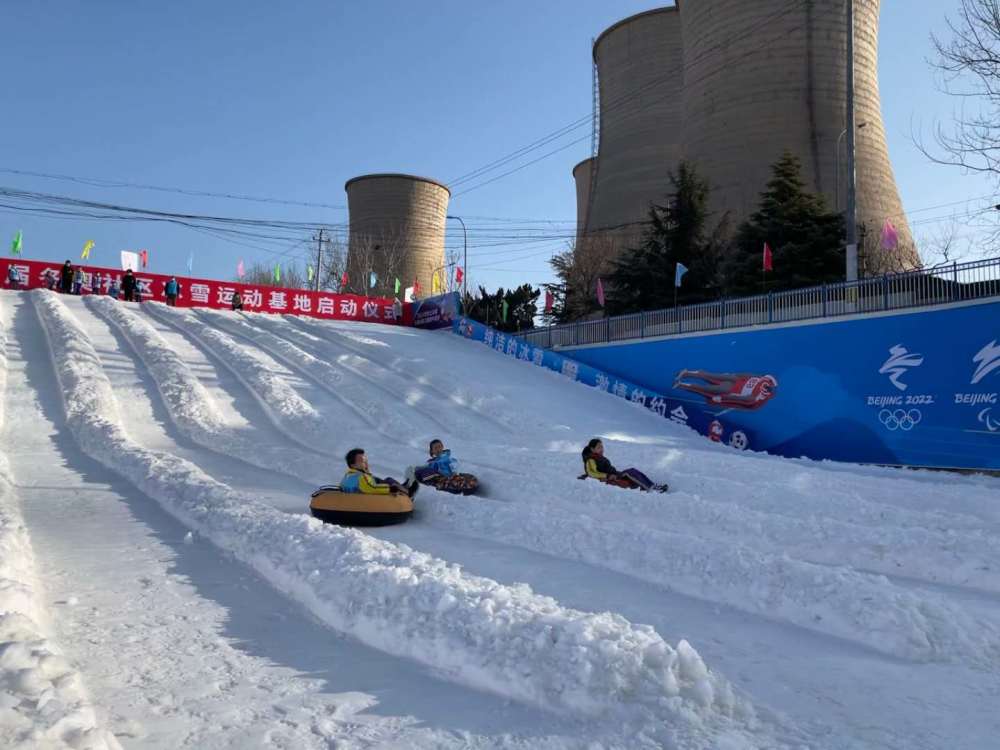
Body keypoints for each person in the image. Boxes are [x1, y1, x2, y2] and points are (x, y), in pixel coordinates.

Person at [581, 438, 668, 493]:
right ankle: (651, 488)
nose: (602, 449)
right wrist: (607, 476)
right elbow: (591, 473)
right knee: (630, 473)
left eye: (602, 447)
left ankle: (651, 486)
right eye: (599, 447)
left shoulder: (597, 457)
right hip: (608, 478)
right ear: (592, 449)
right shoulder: (591, 459)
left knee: (633, 472)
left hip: (613, 475)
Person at [672, 369, 778, 411]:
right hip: (735, 382)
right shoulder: (763, 381)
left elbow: (737, 399)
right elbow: (748, 375)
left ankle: (682, 383)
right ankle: (685, 376)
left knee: (708, 387)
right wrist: (734, 375)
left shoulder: (756, 396)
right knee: (710, 378)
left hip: (732, 387)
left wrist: (722, 398)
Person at [340, 448, 418, 497]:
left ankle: (403, 486)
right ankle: (408, 492)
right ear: (353, 465)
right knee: (391, 484)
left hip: (361, 493)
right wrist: (391, 489)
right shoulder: (361, 477)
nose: (366, 464)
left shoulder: (348, 475)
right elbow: (371, 488)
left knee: (386, 479)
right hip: (370, 498)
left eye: (366, 461)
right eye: (363, 462)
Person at [412, 439, 479, 494]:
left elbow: (453, 463)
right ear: (432, 451)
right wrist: (417, 468)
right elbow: (425, 467)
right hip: (438, 477)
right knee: (423, 471)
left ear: (442, 447)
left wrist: (454, 472)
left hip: (450, 475)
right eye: (435, 448)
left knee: (464, 479)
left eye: (439, 447)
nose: (438, 449)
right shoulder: (431, 461)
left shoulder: (447, 456)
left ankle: (463, 486)